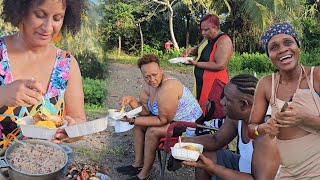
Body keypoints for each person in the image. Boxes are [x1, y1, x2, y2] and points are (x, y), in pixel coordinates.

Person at [0, 0, 87, 148]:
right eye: (40, 15)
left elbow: (78, 119)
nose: (48, 27)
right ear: (22, 10)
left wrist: (74, 130)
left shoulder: (67, 64)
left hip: (46, 167)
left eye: (57, 18)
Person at [248, 22, 320, 179]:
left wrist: (303, 118)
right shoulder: (267, 84)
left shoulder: (316, 77)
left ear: (298, 46)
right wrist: (265, 128)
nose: (282, 49)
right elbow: (250, 130)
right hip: (288, 173)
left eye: (288, 42)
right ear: (269, 56)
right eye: (274, 47)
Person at [116, 54, 202, 180]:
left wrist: (133, 119)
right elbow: (145, 112)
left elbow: (163, 120)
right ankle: (138, 164)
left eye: (155, 74)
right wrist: (132, 100)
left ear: (161, 70)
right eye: (147, 76)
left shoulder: (168, 87)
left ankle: (143, 175)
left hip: (189, 124)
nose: (152, 79)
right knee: (139, 125)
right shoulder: (148, 86)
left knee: (152, 131)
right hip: (171, 119)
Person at [182, 74, 280, 180]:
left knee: (208, 165)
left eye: (227, 99)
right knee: (204, 157)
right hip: (244, 168)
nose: (221, 102)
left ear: (243, 105)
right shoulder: (236, 117)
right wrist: (186, 142)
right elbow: (216, 140)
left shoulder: (266, 135)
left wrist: (214, 168)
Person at [181, 14, 233, 117]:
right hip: (201, 82)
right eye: (202, 30)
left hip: (214, 84)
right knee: (199, 109)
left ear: (215, 28)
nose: (203, 33)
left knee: (211, 111)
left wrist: (196, 63)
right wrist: (190, 51)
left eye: (206, 30)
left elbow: (220, 65)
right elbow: (199, 49)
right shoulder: (207, 38)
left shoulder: (224, 40)